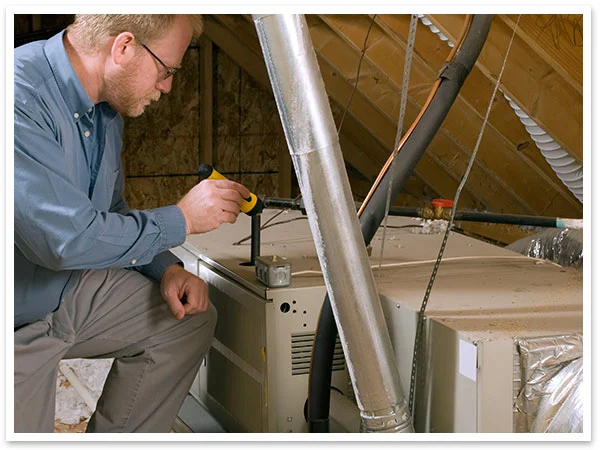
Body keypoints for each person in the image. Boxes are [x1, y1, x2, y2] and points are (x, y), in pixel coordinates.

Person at [14, 14, 250, 433]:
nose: (167, 86)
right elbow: (64, 241)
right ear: (123, 47)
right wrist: (182, 219)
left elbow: (113, 210)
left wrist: (166, 268)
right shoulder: (18, 96)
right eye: (166, 70)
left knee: (187, 322)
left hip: (66, 290)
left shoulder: (104, 110)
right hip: (16, 320)